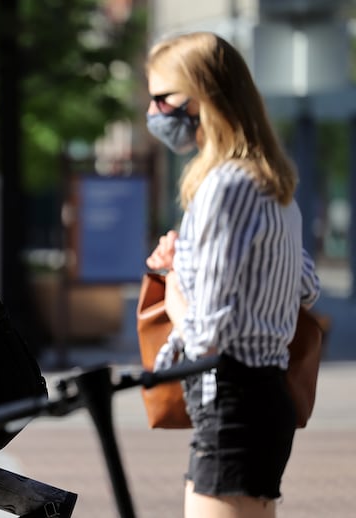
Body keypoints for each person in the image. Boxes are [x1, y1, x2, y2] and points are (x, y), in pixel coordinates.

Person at [143, 32, 321, 518]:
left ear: (205, 96)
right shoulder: (272, 182)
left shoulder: (223, 186)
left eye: (164, 97)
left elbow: (205, 334)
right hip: (263, 398)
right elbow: (304, 286)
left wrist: (176, 279)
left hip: (232, 403)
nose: (155, 111)